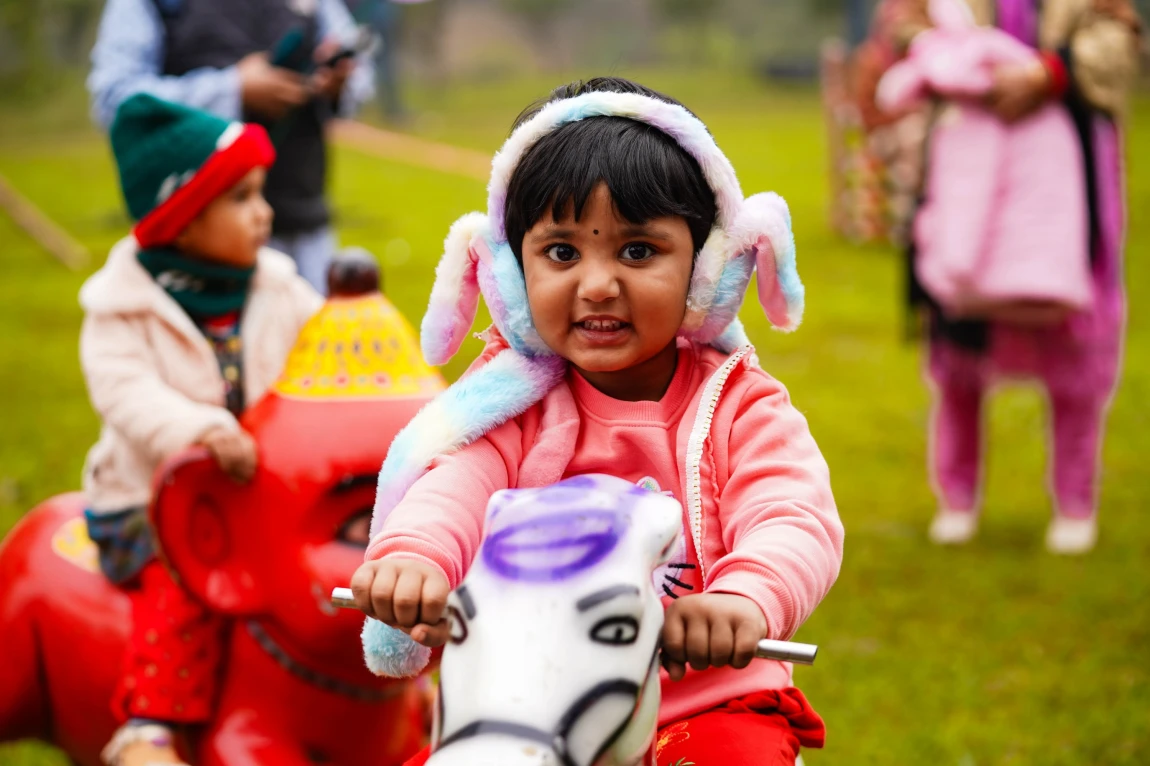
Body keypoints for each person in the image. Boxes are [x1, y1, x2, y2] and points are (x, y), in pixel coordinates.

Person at [350, 77, 845, 765]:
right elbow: (452, 487)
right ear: (513, 274)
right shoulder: (510, 407)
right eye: (561, 253)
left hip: (704, 700)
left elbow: (792, 515)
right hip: (530, 698)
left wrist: (745, 598)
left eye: (638, 251)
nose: (598, 285)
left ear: (706, 269)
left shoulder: (740, 406)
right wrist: (414, 558)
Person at [80, 93, 321, 766]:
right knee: (184, 585)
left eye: (261, 192)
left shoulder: (275, 285)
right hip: (152, 505)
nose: (264, 212)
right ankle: (150, 726)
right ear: (182, 219)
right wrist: (201, 430)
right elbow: (126, 394)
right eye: (242, 198)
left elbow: (324, 343)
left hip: (254, 493)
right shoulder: (121, 309)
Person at [868, 0, 1141, 554]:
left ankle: (1074, 502)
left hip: (1066, 181)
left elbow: (1119, 37)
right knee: (958, 350)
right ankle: (956, 498)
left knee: (1075, 353)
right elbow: (901, 26)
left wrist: (1050, 73)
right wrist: (956, 60)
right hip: (966, 174)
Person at [87, 0, 375, 293]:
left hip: (305, 227)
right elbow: (117, 99)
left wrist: (337, 79)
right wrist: (232, 89)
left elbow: (359, 70)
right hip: (191, 246)